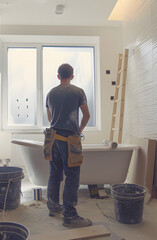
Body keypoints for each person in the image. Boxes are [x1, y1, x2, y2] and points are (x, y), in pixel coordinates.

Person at [44, 63, 91, 228]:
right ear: (72, 76)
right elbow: (86, 115)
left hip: (52, 138)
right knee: (71, 176)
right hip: (69, 139)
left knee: (54, 173)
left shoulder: (50, 93)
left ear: (58, 76)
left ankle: (53, 206)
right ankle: (70, 216)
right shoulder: (78, 92)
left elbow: (50, 118)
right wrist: (79, 130)